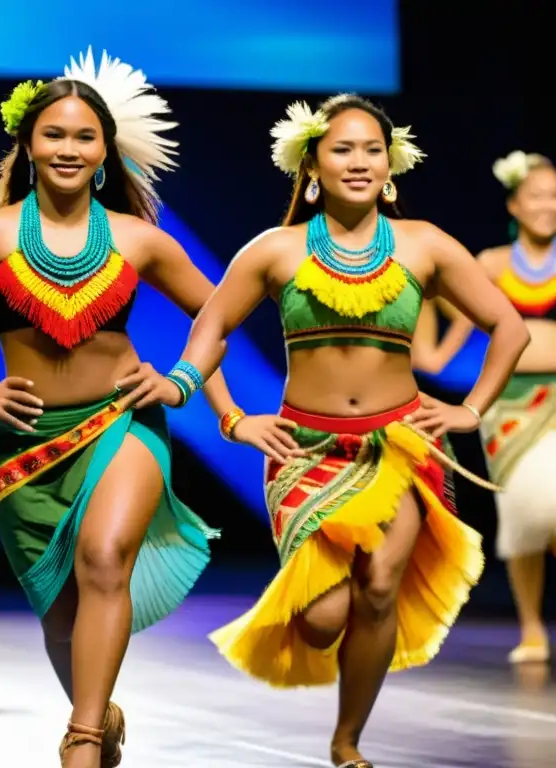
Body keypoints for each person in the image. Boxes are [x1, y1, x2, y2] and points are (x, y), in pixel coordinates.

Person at [0, 48, 288, 768]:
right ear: (28, 144)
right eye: (54, 134)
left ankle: (80, 739)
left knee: (104, 558)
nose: (69, 148)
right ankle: (98, 712)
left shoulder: (139, 238)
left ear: (106, 150)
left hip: (121, 427)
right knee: (60, 617)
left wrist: (187, 386)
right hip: (23, 448)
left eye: (84, 136)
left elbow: (216, 317)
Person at [194, 95, 529, 767]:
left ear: (390, 164)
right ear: (312, 164)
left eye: (371, 149)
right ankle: (339, 708)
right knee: (320, 622)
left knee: (379, 591)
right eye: (342, 149)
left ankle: (348, 741)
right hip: (303, 448)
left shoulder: (425, 244)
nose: (359, 161)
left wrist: (471, 409)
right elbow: (207, 333)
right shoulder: (276, 249)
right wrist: (232, 418)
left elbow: (509, 328)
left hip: (398, 444)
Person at [413, 150, 556, 663]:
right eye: (538, 195)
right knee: (524, 515)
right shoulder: (490, 266)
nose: (549, 205)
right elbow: (438, 344)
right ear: (515, 205)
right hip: (511, 409)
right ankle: (532, 627)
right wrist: (422, 297)